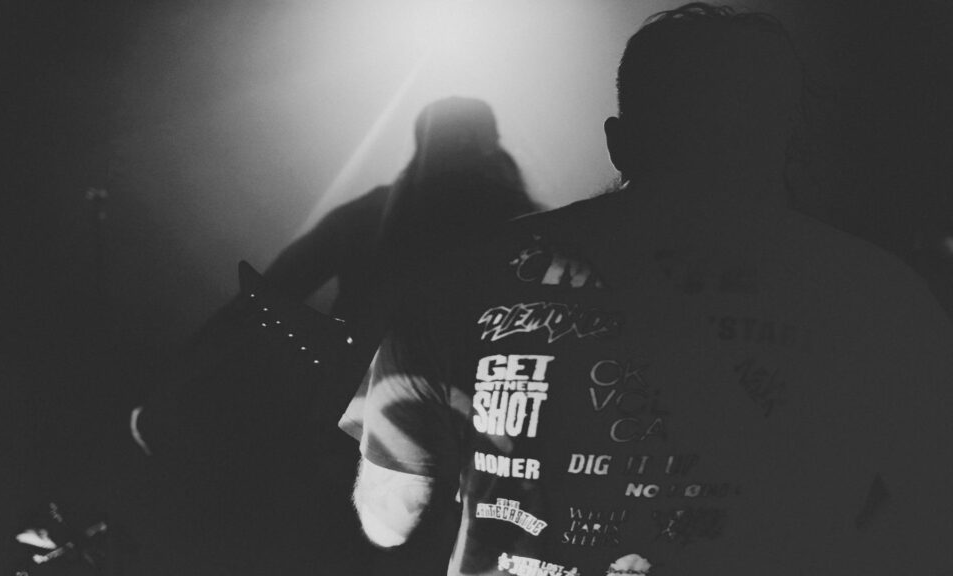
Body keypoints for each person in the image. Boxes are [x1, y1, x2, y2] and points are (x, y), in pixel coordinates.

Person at [344, 4, 953, 575]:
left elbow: (391, 519)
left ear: (618, 140)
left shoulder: (468, 275)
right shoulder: (882, 297)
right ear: (790, 144)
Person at [264, 96, 538, 364]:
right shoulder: (524, 224)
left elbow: (264, 298)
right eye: (493, 141)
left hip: (355, 390)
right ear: (479, 143)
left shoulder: (368, 214)